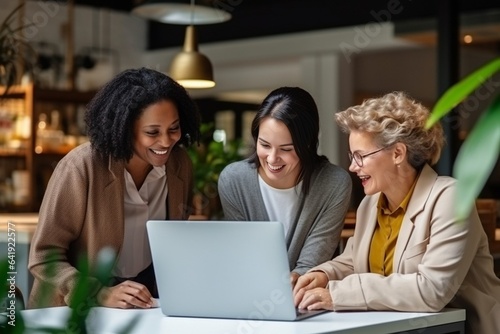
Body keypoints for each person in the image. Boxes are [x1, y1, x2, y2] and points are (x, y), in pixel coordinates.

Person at [293, 91, 500, 333]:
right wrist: (323, 275)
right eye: (352, 156)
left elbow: (431, 290)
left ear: (398, 153)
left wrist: (337, 293)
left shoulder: (449, 198)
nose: (351, 166)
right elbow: (353, 262)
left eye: (360, 156)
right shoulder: (370, 205)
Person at [28, 68, 200, 309]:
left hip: (146, 300)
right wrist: (99, 293)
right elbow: (44, 257)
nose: (166, 141)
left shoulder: (180, 166)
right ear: (124, 128)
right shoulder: (81, 166)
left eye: (174, 128)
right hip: (75, 307)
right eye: (152, 132)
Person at [218, 86, 352, 286]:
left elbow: (310, 266)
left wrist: (292, 281)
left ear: (307, 144)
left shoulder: (333, 183)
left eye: (286, 149)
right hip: (248, 292)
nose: (272, 158)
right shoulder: (234, 180)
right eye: (264, 145)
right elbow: (243, 256)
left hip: (304, 298)